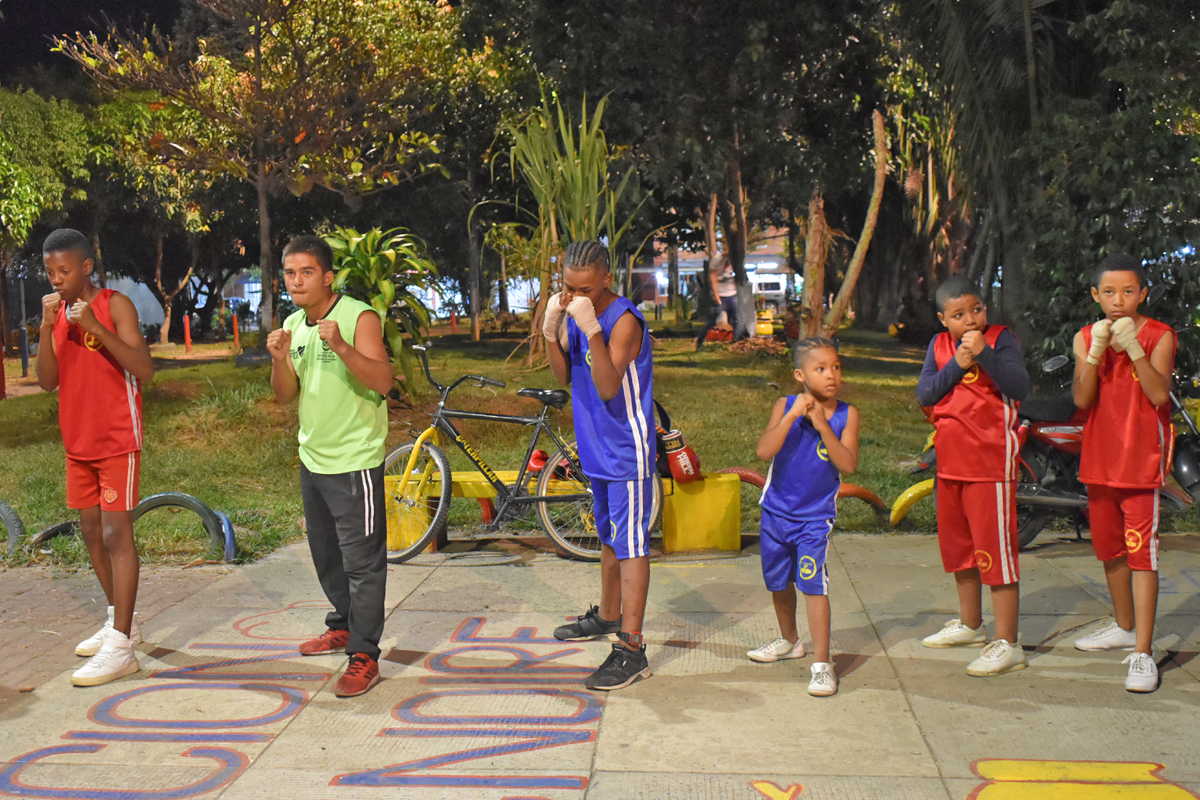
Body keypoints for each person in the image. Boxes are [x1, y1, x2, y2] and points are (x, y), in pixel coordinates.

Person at [266, 235, 394, 698]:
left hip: (354, 459)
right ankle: (342, 624)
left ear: (327, 276)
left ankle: (364, 655)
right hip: (312, 458)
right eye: (290, 274)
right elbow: (285, 394)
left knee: (363, 562)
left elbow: (382, 381)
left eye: (306, 272)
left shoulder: (358, 316)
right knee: (327, 557)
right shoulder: (295, 324)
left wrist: (342, 347)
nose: (297, 281)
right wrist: (280, 359)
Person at [36, 228, 155, 687]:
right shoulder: (57, 313)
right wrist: (48, 327)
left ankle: (122, 647)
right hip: (78, 442)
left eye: (64, 270)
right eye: (50, 272)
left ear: (86, 266)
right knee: (90, 531)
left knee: (114, 531)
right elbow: (48, 381)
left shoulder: (113, 304)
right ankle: (120, 621)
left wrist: (96, 330)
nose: (57, 280)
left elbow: (143, 368)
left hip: (116, 438)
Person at [544, 240, 655, 691]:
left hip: (625, 450)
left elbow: (608, 386)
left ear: (607, 279)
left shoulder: (623, 320)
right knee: (610, 538)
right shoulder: (576, 312)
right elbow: (563, 376)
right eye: (567, 289)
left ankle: (632, 648)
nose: (574, 298)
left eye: (584, 288)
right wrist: (550, 330)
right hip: (595, 449)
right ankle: (609, 616)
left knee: (631, 547)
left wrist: (590, 329)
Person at [1071, 254, 1175, 693]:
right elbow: (1081, 398)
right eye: (1109, 292)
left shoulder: (1159, 335)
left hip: (1140, 462)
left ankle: (1143, 653)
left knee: (1141, 556)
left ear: (1142, 294)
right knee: (1110, 550)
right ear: (1096, 295)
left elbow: (1157, 393)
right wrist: (1095, 351)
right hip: (1099, 459)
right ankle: (1124, 626)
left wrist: (1133, 348)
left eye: (1128, 291)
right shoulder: (1082, 336)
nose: (1118, 300)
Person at [917, 275, 1030, 677]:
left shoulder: (1001, 339)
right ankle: (970, 625)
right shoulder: (939, 345)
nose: (970, 320)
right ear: (943, 318)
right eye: (958, 315)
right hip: (950, 463)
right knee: (960, 551)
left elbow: (1019, 386)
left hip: (989, 465)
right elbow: (926, 394)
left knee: (995, 555)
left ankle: (1008, 642)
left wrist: (986, 356)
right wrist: (957, 364)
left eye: (976, 310)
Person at [751, 337, 859, 697]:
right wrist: (795, 414)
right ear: (800, 374)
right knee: (778, 582)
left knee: (813, 584)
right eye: (821, 368)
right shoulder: (784, 405)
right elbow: (764, 451)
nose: (832, 375)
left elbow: (848, 464)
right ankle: (789, 640)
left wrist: (822, 425)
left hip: (814, 519)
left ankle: (822, 664)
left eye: (836, 366)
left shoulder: (847, 414)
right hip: (776, 513)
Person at [694, 254, 739, 349]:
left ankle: (735, 343)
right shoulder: (717, 259)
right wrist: (715, 294)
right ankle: (699, 341)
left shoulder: (736, 259)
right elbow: (712, 277)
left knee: (737, 320)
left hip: (732, 294)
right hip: (721, 294)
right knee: (712, 321)